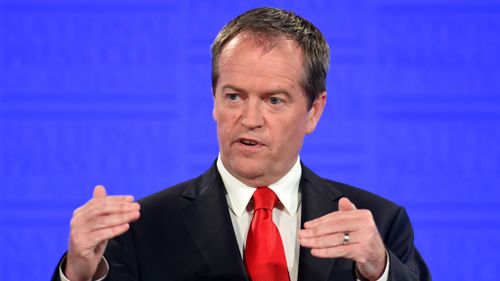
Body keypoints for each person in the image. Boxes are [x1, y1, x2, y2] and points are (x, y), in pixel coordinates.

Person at [52, 7, 431, 281]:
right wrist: (80, 275)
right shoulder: (143, 230)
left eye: (273, 100)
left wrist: (379, 271)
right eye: (234, 96)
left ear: (314, 110)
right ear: (213, 100)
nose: (249, 118)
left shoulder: (379, 224)